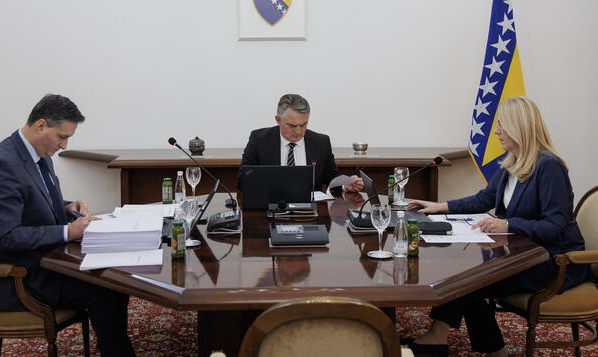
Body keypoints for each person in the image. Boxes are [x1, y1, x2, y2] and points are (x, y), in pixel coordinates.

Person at [404, 96, 589, 357]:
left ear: (519, 127)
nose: (497, 131)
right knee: (465, 278)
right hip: (523, 253)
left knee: (470, 282)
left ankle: (481, 348)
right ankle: (441, 338)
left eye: (501, 124)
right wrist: (440, 206)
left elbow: (555, 226)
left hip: (553, 262)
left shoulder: (549, 167)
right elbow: (484, 199)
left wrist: (509, 223)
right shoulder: (512, 160)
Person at [0, 94, 135, 356]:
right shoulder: (2, 163)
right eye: (61, 137)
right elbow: (5, 237)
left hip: (49, 262)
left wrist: (66, 206)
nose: (63, 145)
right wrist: (67, 231)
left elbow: (28, 201)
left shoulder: (37, 153)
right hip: (23, 277)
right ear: (41, 125)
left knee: (115, 278)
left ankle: (112, 347)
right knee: (106, 287)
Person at [238, 93, 364, 192]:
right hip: (271, 208)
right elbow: (242, 180)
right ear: (278, 120)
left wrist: (345, 183)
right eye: (292, 125)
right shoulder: (259, 140)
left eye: (303, 124)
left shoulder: (321, 142)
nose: (298, 131)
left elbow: (330, 176)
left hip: (310, 210)